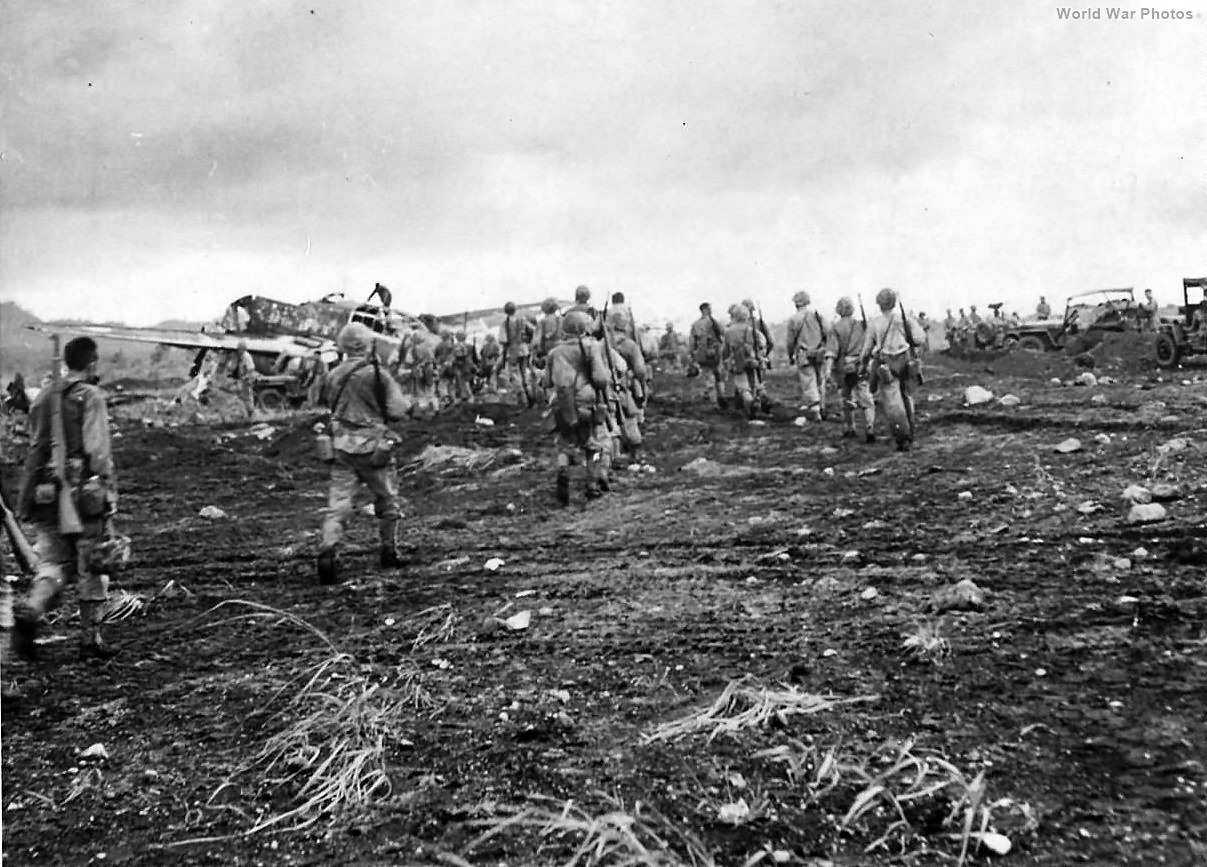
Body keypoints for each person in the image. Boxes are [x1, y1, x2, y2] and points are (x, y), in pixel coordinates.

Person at [13, 337, 120, 659]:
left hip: (46, 493)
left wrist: (27, 497)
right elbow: (97, 452)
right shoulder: (91, 396)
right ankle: (91, 639)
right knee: (92, 563)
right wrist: (109, 492)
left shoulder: (44, 395)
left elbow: (35, 448)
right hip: (84, 494)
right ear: (91, 363)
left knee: (52, 564)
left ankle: (32, 608)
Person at [315, 323, 411, 584]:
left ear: (343, 346)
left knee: (338, 505)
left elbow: (324, 402)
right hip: (374, 449)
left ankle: (328, 549)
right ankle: (389, 552)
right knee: (388, 500)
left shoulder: (333, 374)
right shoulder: (378, 375)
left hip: (340, 447)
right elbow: (397, 410)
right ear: (368, 344)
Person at [541, 311, 613, 504]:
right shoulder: (591, 347)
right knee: (593, 446)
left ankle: (563, 470)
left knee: (564, 445)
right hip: (585, 403)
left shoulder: (554, 353)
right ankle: (592, 485)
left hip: (561, 405)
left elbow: (546, 382)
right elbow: (601, 379)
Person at [861, 288, 924, 452]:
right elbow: (920, 338)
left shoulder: (875, 323)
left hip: (887, 362)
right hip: (906, 360)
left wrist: (863, 364)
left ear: (879, 304)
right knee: (907, 396)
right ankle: (911, 431)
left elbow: (867, 349)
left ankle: (902, 438)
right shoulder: (904, 319)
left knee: (893, 401)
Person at [826, 297, 875, 442]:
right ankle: (870, 427)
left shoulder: (835, 328)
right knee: (866, 399)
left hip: (842, 368)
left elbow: (831, 351)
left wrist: (828, 371)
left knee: (845, 398)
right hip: (860, 366)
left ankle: (849, 428)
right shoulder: (862, 325)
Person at [785, 290, 830, 421]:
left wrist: (790, 356)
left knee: (809, 381)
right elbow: (828, 332)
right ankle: (822, 407)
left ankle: (815, 410)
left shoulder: (793, 319)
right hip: (820, 352)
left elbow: (790, 341)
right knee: (820, 381)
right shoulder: (817, 315)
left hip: (804, 354)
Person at [722, 305, 762, 419]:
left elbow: (726, 349)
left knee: (743, 387)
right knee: (753, 384)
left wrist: (725, 361)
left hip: (737, 361)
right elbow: (759, 345)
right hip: (752, 359)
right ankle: (754, 406)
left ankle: (750, 402)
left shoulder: (729, 331)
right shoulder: (751, 330)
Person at [688, 302, 726, 408]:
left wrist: (693, 355)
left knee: (709, 376)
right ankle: (720, 397)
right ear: (704, 309)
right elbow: (724, 334)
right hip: (715, 352)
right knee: (718, 376)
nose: (710, 310)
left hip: (703, 353)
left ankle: (715, 401)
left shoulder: (696, 324)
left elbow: (692, 343)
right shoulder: (714, 322)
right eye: (709, 308)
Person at [228, 340, 259, 417]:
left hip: (246, 380)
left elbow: (251, 369)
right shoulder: (239, 356)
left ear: (244, 349)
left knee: (247, 398)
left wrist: (246, 378)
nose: (239, 350)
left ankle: (252, 414)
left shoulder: (246, 357)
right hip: (241, 379)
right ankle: (244, 413)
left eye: (240, 349)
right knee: (241, 397)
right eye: (238, 349)